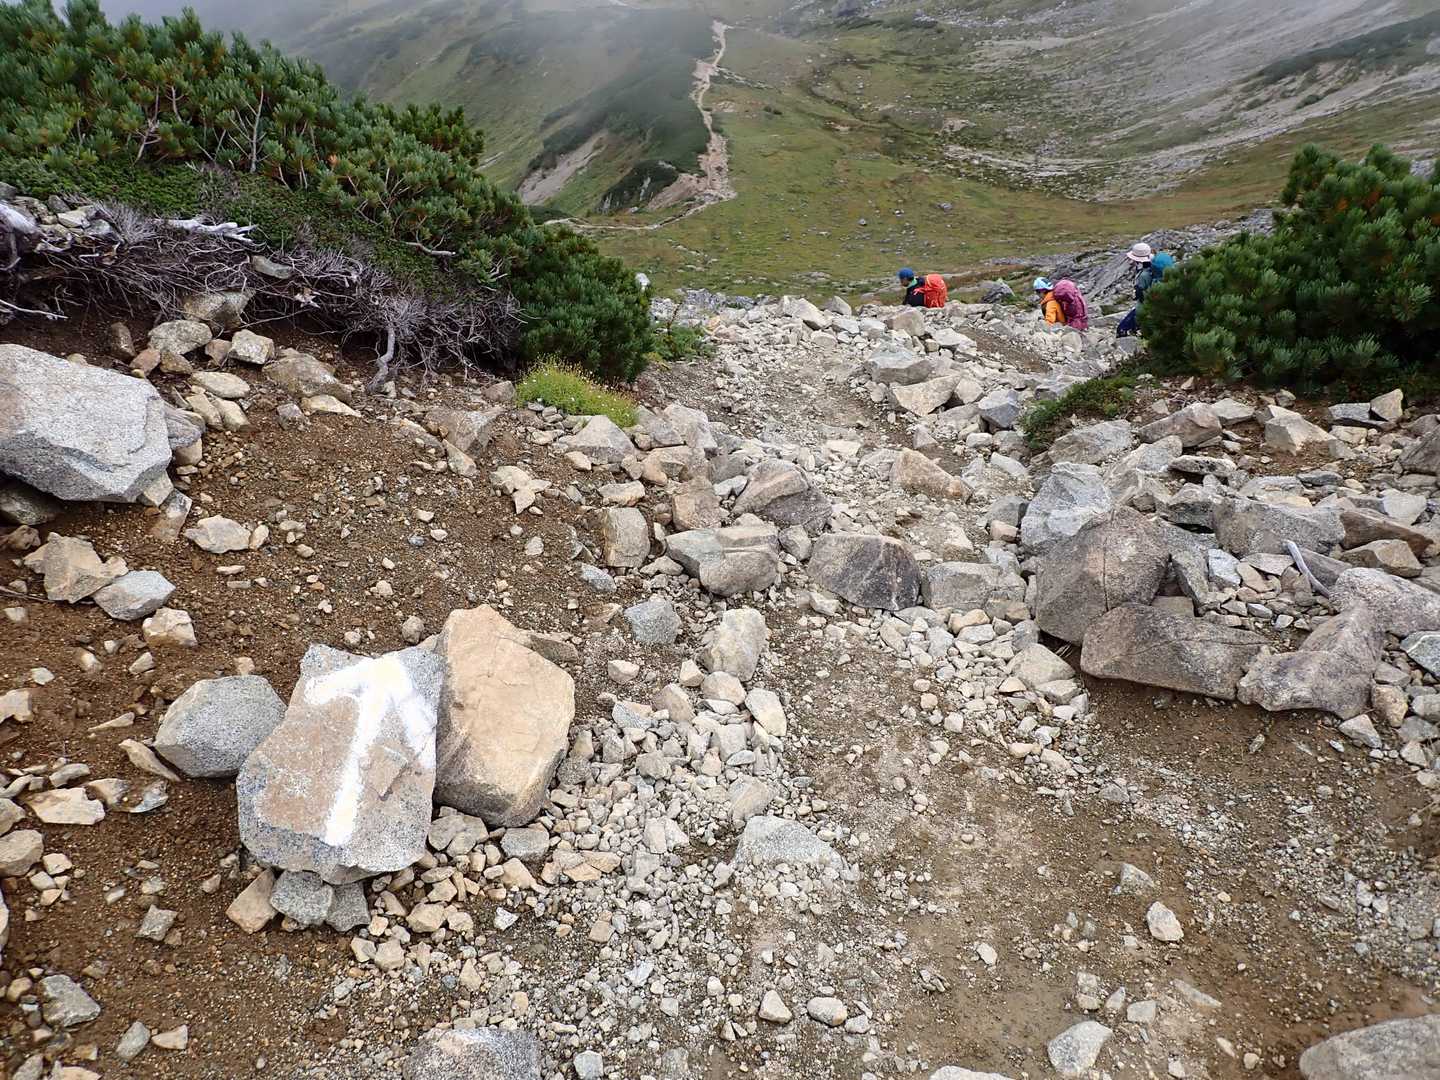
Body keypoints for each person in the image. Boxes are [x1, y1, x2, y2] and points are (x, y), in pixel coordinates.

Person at [1117, 242, 1174, 337]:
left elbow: (1142, 292)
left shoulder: (1144, 274)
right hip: (1160, 302)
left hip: (1147, 304)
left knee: (1122, 328)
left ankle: (1128, 334)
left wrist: (1138, 292)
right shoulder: (1155, 263)